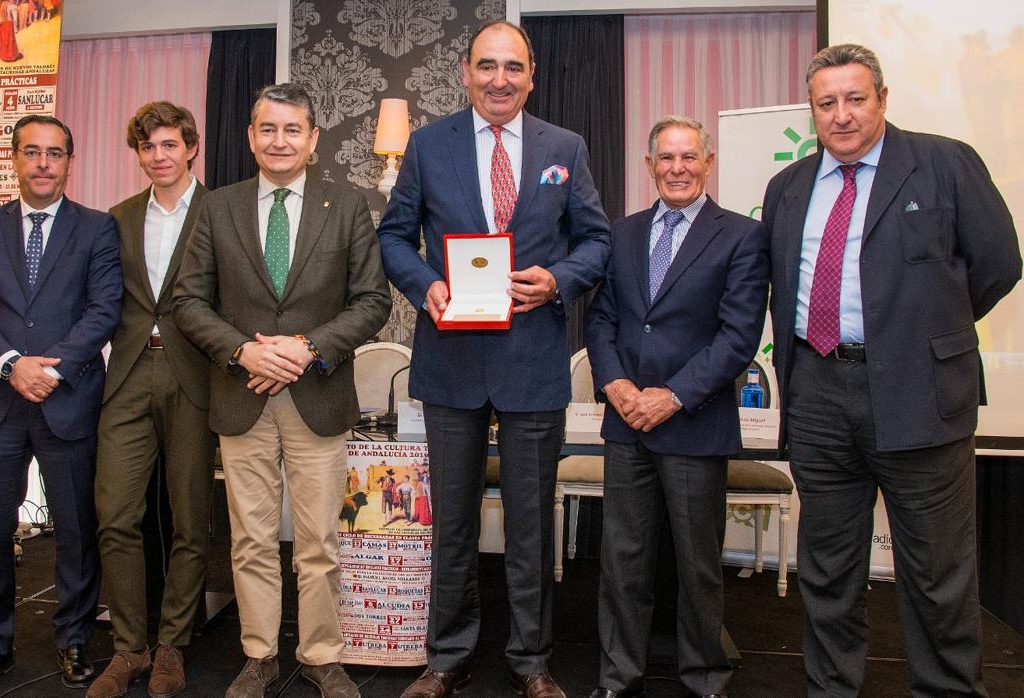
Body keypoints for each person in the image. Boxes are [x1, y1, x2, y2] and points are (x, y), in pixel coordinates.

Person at [761, 43, 1021, 697]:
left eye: (855, 99)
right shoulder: (788, 187)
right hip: (819, 390)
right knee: (827, 569)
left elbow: (997, 264)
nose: (842, 115)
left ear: (881, 98)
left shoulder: (943, 163)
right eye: (827, 103)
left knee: (938, 573)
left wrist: (928, 336)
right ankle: (831, 689)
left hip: (919, 391)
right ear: (812, 110)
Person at [376, 20, 611, 698]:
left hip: (532, 360)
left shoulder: (563, 146)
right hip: (450, 361)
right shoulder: (427, 145)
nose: (500, 78)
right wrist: (427, 287)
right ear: (466, 71)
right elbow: (394, 238)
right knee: (450, 519)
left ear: (531, 75)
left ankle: (531, 660)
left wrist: (560, 281)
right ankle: (447, 656)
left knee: (530, 523)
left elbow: (593, 241)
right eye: (487, 66)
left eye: (513, 67)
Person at [171, 82, 390, 698]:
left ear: (314, 140)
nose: (280, 140)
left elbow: (372, 300)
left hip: (316, 397)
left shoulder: (345, 205)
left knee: (319, 541)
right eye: (268, 129)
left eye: (293, 130)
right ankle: (260, 653)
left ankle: (322, 654)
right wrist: (246, 351)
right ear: (250, 137)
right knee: (251, 539)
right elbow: (189, 300)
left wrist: (306, 349)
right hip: (242, 395)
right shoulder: (217, 208)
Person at [585, 115, 769, 698]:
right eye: (666, 158)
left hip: (694, 422)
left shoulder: (740, 235)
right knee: (622, 561)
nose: (677, 168)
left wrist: (674, 396)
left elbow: (738, 337)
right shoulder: (623, 233)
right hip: (626, 422)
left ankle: (704, 678)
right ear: (650, 166)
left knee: (697, 565)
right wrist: (613, 383)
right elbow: (604, 318)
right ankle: (619, 677)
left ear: (708, 162)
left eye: (689, 157)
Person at [0, 114, 122, 694]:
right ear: (16, 159)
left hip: (67, 396)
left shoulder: (98, 228)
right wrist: (10, 365)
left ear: (69, 162)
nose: (43, 163)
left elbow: (104, 310)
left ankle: (74, 639)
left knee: (77, 530)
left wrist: (50, 368)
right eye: (32, 152)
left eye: (54, 153)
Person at [87, 101, 216, 698]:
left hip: (197, 373)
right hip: (129, 373)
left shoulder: (224, 212)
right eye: (148, 147)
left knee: (191, 518)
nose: (159, 157)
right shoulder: (115, 218)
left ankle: (172, 645)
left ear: (191, 146)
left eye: (170, 145)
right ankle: (129, 648)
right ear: (137, 153)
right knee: (115, 514)